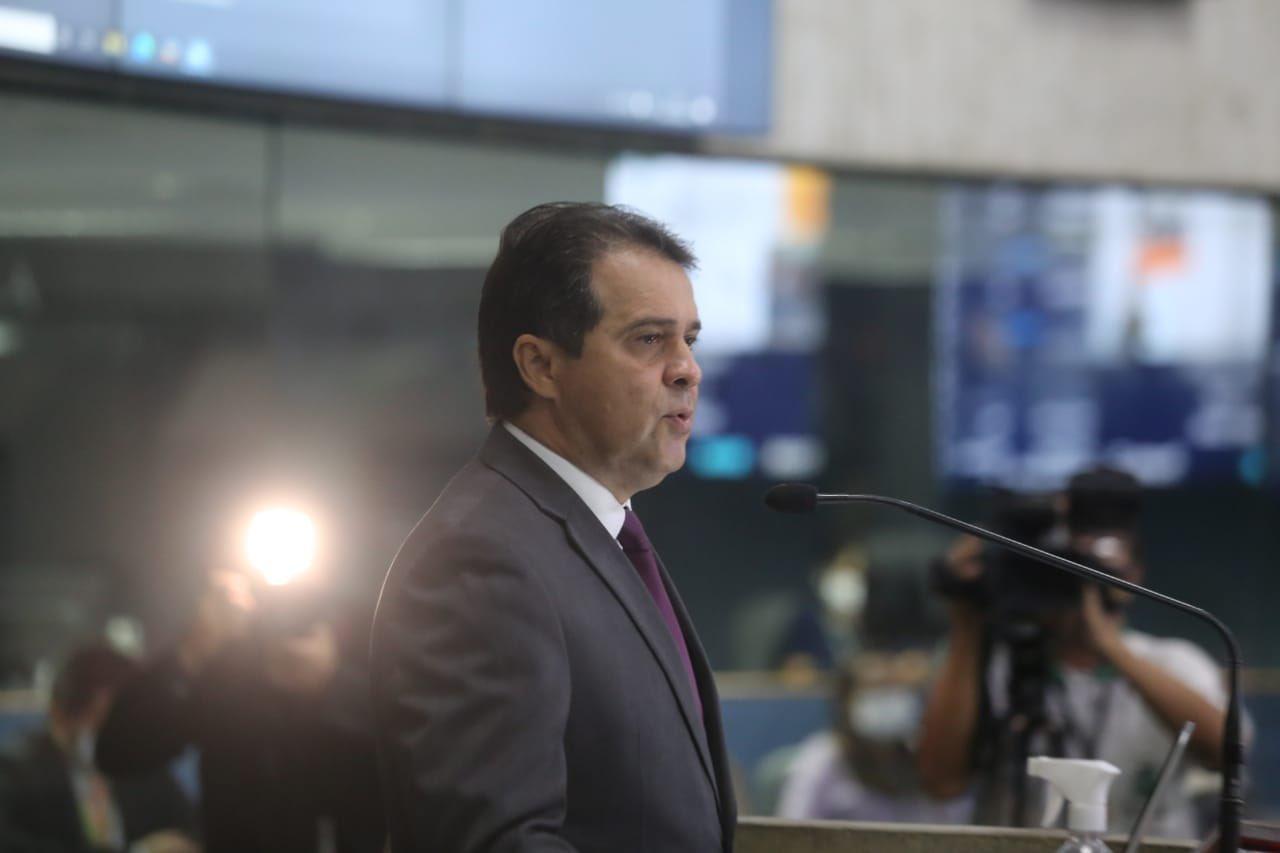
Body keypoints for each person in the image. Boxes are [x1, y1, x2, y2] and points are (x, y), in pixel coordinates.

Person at [370, 202, 735, 852]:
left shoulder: (595, 533)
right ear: (540, 366)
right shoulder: (481, 559)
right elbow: (500, 842)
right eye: (649, 340)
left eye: (690, 339)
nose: (687, 369)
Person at [917, 467, 1238, 838]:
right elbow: (940, 782)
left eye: (1076, 570)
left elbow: (1229, 757)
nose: (1060, 584)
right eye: (1046, 570)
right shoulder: (989, 662)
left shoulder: (1171, 662)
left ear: (1132, 576)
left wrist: (1109, 644)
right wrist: (967, 624)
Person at [95, 571, 385, 852]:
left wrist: (330, 684)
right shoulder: (228, 676)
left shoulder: (359, 641)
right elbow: (119, 751)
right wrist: (194, 650)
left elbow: (396, 748)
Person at [0, 642, 198, 852]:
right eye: (97, 722)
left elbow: (193, 826)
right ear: (59, 714)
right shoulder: (14, 773)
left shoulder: (141, 763)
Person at [776, 651, 970, 824]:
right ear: (847, 701)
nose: (887, 700)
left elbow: (954, 825)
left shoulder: (927, 760)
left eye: (896, 690)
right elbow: (793, 832)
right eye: (875, 690)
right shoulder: (823, 759)